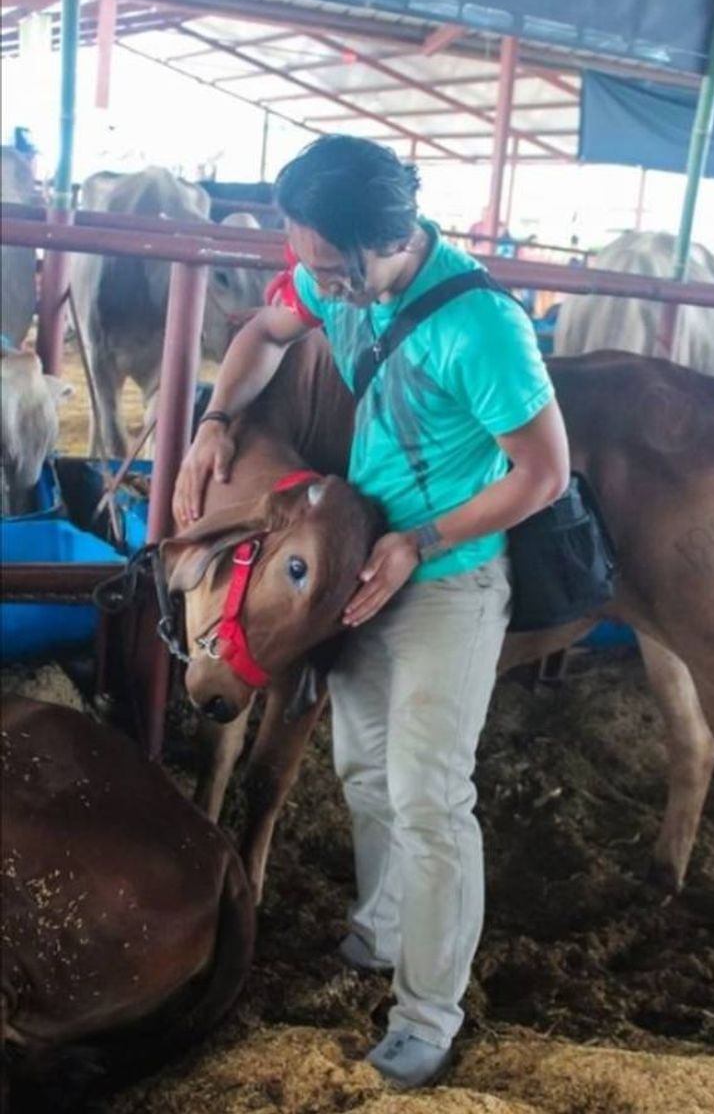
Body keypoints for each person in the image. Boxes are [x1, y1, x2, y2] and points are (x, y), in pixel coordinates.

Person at [172, 135, 569, 1089]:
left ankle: (428, 1013)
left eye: (316, 263)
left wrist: (420, 541)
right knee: (360, 770)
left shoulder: (481, 329)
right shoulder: (336, 283)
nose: (305, 281)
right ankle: (383, 928)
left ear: (373, 243)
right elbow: (261, 335)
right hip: (365, 563)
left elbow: (544, 473)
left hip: (448, 579)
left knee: (432, 797)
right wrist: (215, 423)